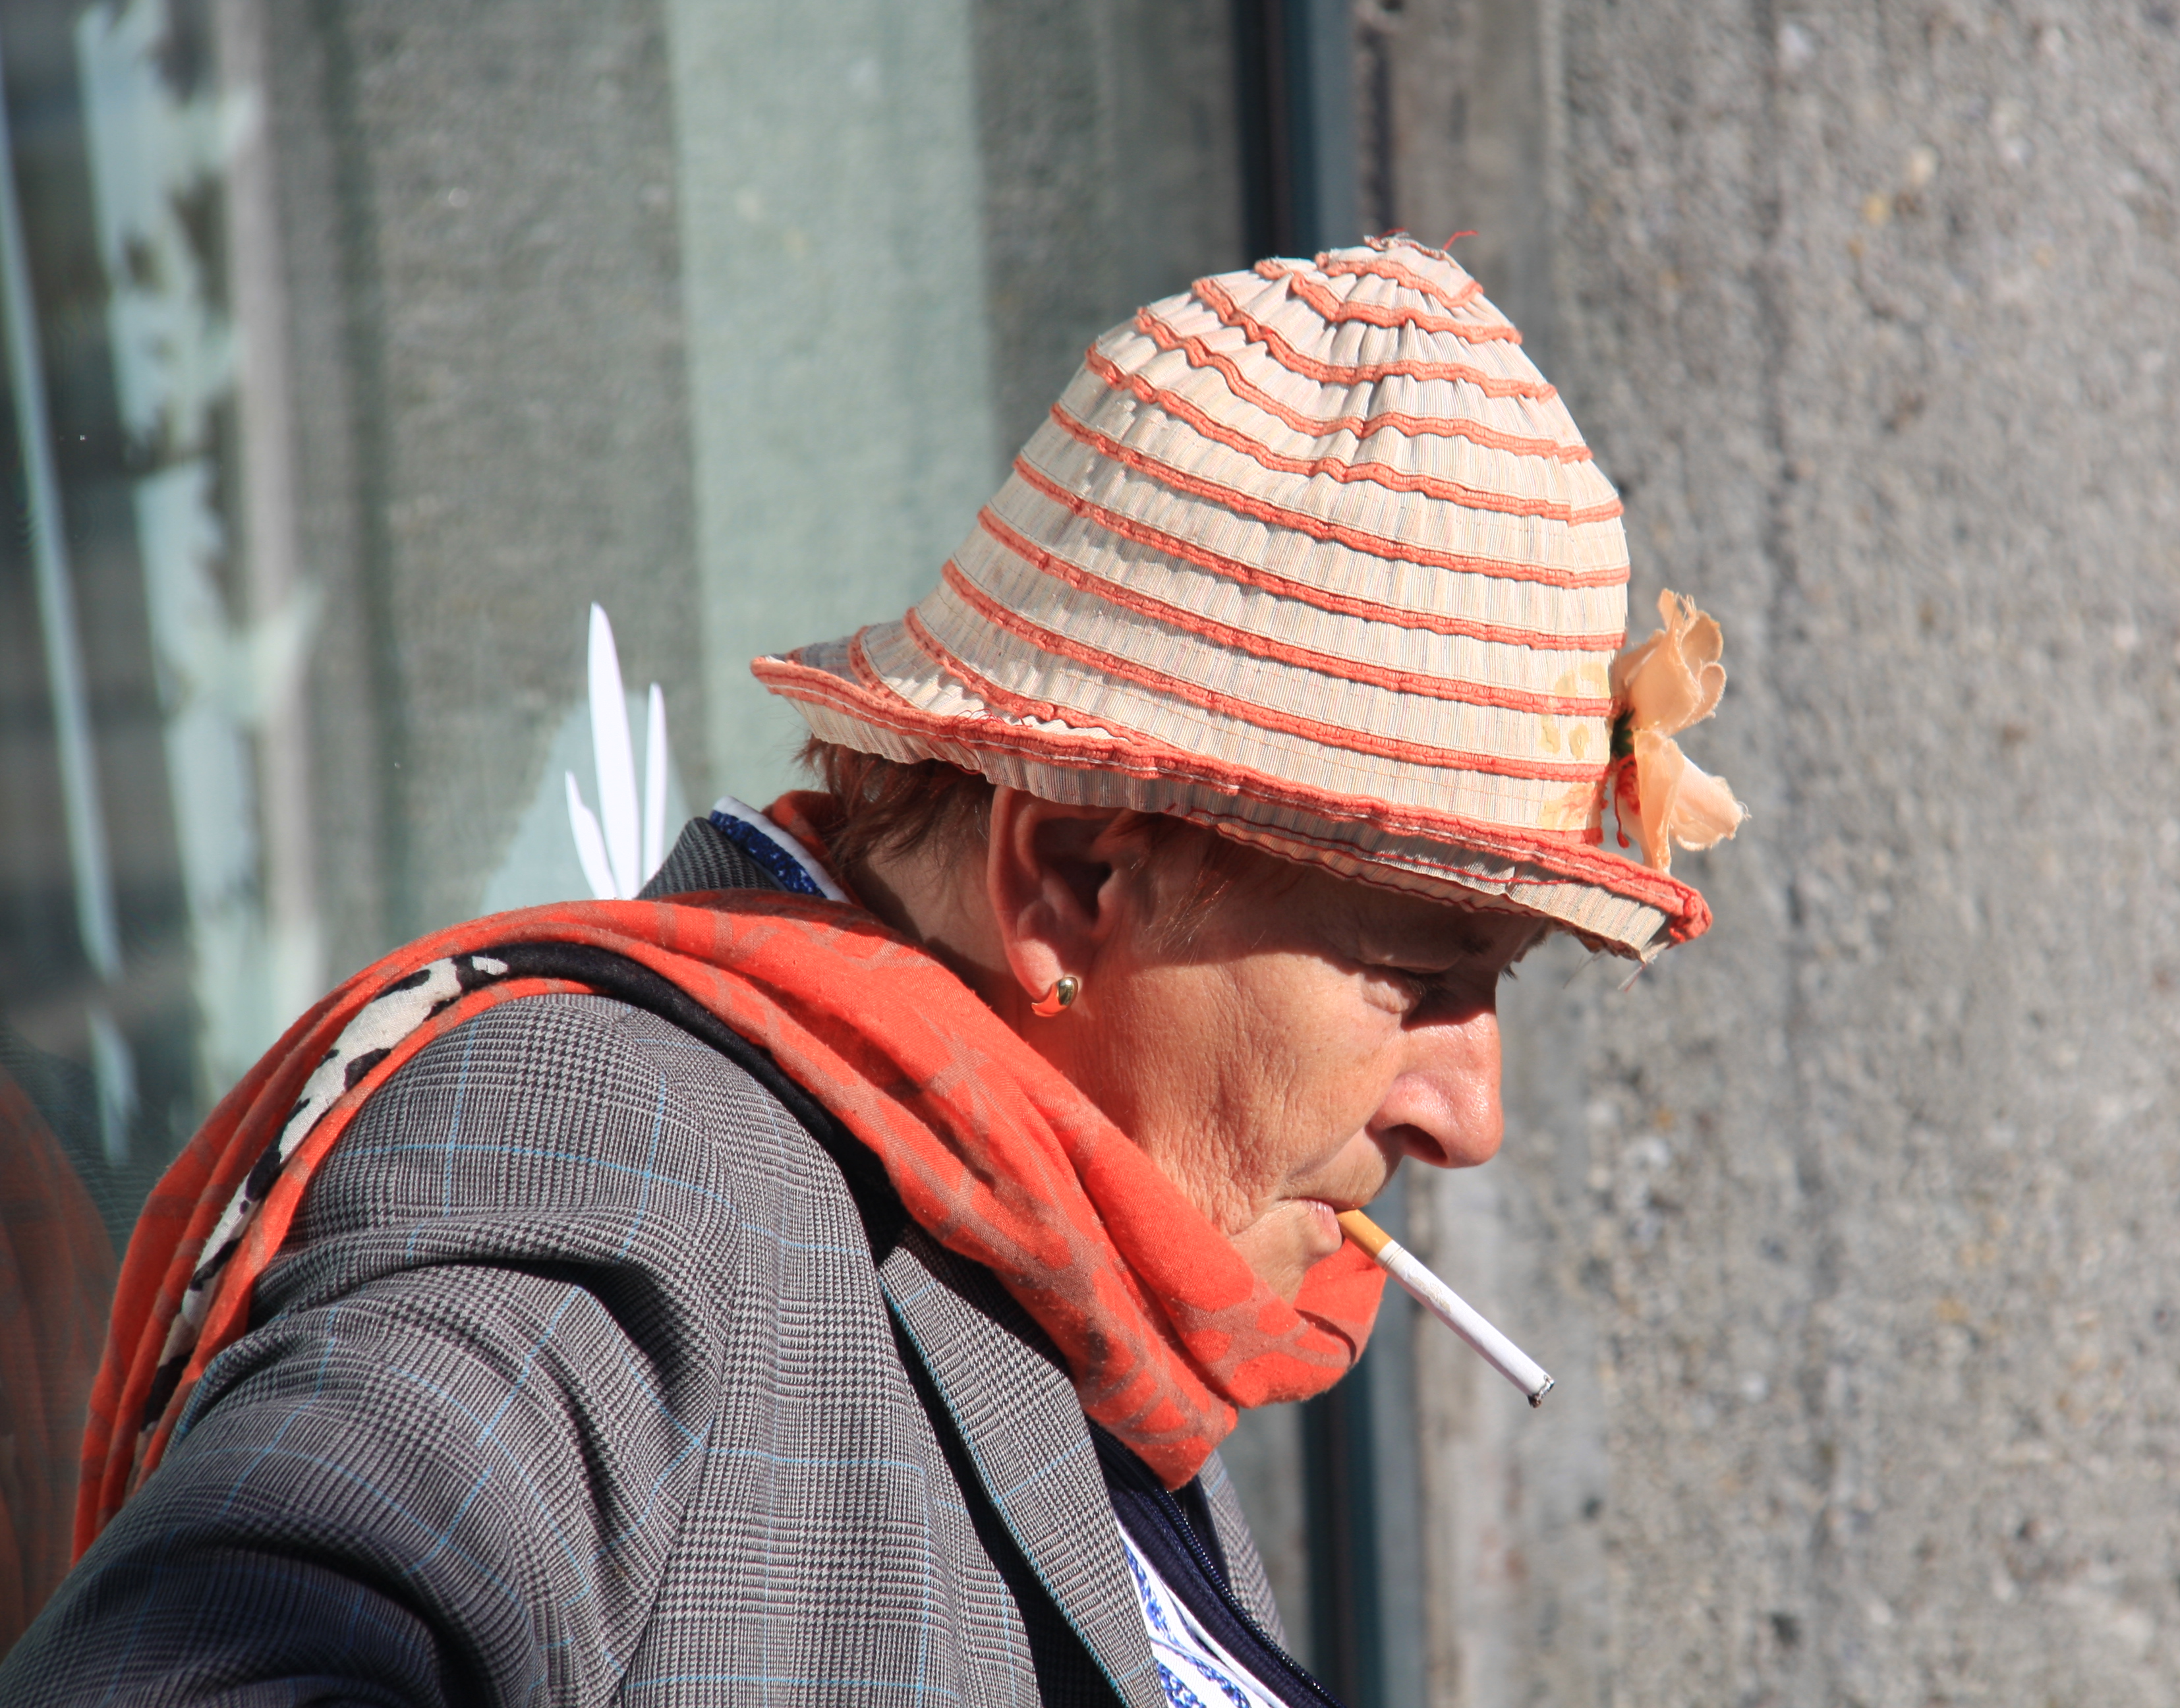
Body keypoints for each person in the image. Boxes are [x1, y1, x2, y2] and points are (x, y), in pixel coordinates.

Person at [0, 236, 1740, 1706]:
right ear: (1069, 877)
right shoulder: (625, 1163)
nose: (1469, 1115)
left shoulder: (1063, 1323)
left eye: (1499, 980)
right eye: (1414, 973)